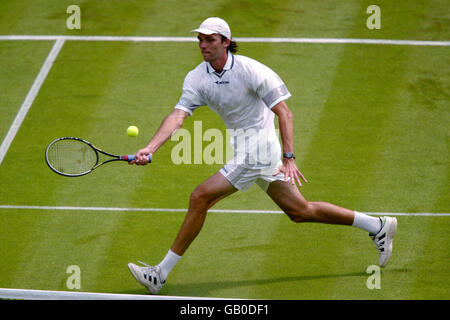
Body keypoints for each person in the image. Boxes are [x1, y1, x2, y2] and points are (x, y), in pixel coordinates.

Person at [127, 17, 397, 295]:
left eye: (209, 39)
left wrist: (289, 157)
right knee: (300, 212)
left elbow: (284, 112)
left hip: (258, 151)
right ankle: (377, 225)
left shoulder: (252, 70)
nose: (202, 44)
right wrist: (150, 147)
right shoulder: (197, 77)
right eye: (200, 39)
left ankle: (160, 274)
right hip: (245, 148)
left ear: (226, 42)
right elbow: (178, 116)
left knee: (200, 197)